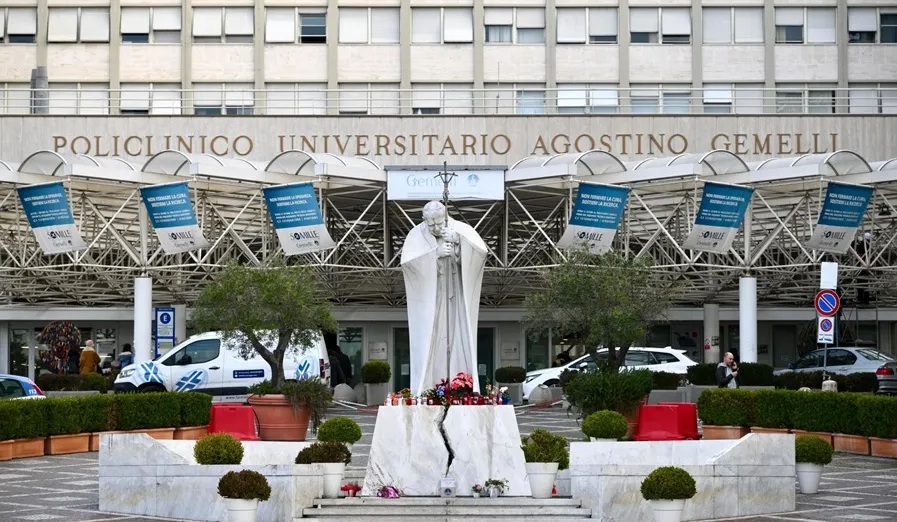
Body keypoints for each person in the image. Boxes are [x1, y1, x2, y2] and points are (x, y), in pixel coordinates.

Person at [401, 201, 488, 396]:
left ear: (446, 217)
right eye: (430, 224)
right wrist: (435, 255)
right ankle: (430, 388)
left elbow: (481, 253)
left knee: (458, 335)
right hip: (431, 298)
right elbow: (408, 265)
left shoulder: (461, 229)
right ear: (424, 220)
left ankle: (460, 386)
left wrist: (459, 243)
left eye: (439, 223)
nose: (435, 228)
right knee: (432, 338)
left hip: (456, 296)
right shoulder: (415, 235)